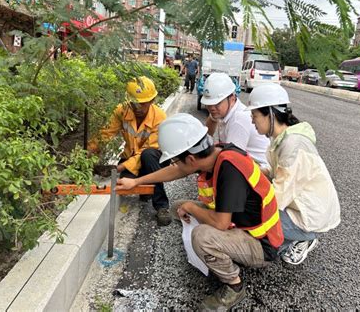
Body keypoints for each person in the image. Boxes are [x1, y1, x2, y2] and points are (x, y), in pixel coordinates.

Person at [116, 113, 284, 310]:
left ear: (190, 158)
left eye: (176, 160)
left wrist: (192, 208)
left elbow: (221, 223)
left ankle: (234, 286)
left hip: (261, 243)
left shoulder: (230, 169)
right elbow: (178, 171)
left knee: (201, 236)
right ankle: (222, 251)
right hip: (241, 223)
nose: (175, 165)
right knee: (178, 205)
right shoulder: (217, 153)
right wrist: (136, 182)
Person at [247, 83, 341, 265]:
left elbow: (277, 198)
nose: (252, 121)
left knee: (254, 216)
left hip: (310, 214)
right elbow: (276, 175)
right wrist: (254, 170)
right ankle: (290, 237)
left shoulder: (293, 146)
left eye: (255, 116)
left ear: (271, 114)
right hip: (300, 204)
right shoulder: (284, 139)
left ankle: (305, 236)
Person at [88, 76, 171, 226]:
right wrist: (88, 153)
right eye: (134, 104)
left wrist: (116, 168)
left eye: (142, 104)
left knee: (148, 156)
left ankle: (162, 206)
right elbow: (105, 134)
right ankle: (145, 190)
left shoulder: (160, 118)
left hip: (155, 159)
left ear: (151, 101)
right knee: (126, 179)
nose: (138, 109)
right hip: (131, 157)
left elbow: (149, 149)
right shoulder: (122, 111)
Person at [201, 72, 270, 170]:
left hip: (261, 171)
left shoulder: (239, 119)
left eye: (217, 103)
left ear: (232, 98)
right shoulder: (224, 110)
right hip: (245, 160)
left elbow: (231, 160)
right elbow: (209, 129)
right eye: (209, 103)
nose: (211, 108)